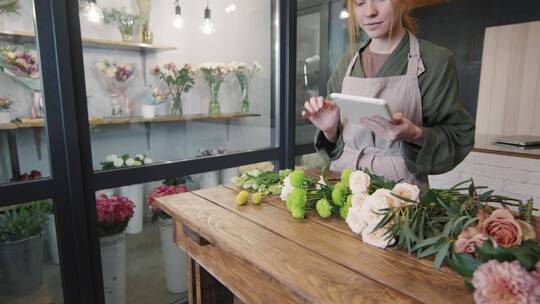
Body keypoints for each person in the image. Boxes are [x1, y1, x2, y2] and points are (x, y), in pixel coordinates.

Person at [302, 0, 475, 187]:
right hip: (343, 187)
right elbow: (335, 146)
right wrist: (330, 130)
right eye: (360, 3)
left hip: (400, 196)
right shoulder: (347, 64)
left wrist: (414, 134)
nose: (370, 12)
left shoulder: (435, 61)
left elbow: (458, 136)